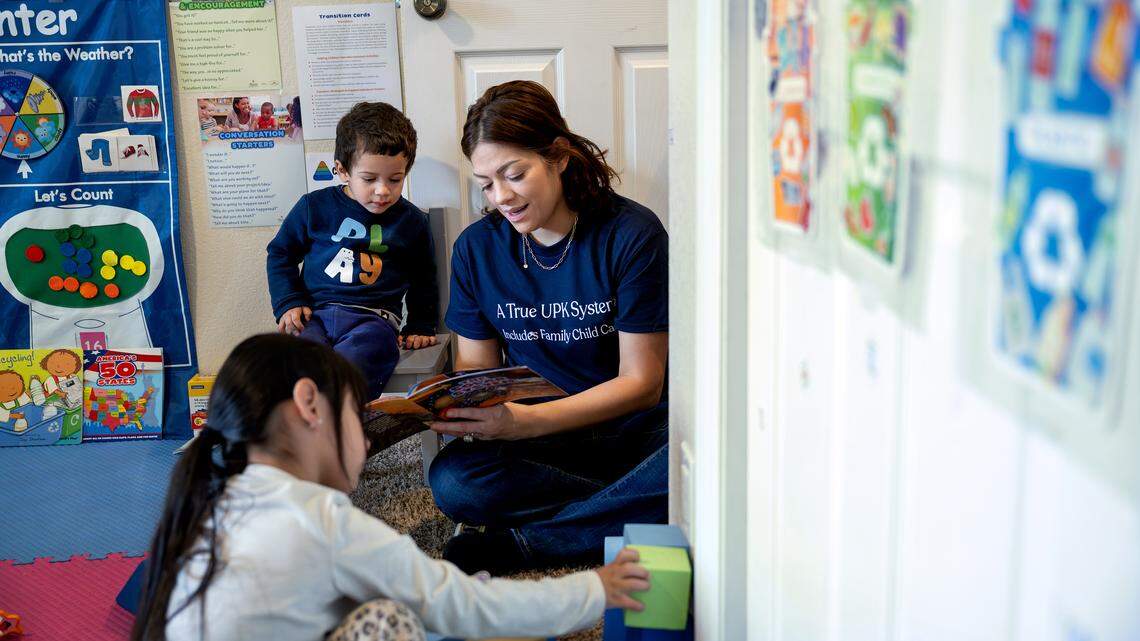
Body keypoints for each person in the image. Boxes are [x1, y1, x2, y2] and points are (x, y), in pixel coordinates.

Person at [129, 334, 650, 641]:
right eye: (360, 415)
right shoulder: (321, 520)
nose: (367, 435)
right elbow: (467, 608)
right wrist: (594, 589)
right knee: (393, 618)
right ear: (310, 405)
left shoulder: (208, 501)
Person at [428, 80, 670, 575]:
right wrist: (464, 405)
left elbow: (643, 385)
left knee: (704, 458)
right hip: (541, 444)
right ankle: (629, 509)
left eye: (514, 174)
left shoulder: (633, 235)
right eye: (486, 183)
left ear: (558, 156)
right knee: (454, 481)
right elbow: (476, 369)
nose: (501, 197)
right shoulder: (476, 250)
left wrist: (524, 422)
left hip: (633, 433)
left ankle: (530, 544)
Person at [267, 101, 439, 399]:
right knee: (297, 361)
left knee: (362, 355)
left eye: (395, 179)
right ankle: (299, 422)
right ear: (342, 170)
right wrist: (289, 301)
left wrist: (421, 324)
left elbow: (424, 275)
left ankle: (336, 415)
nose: (383, 190)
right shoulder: (313, 207)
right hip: (315, 316)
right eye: (370, 179)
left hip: (375, 320)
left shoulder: (412, 221)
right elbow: (281, 254)